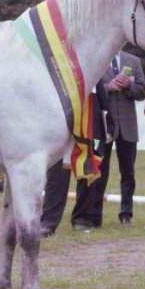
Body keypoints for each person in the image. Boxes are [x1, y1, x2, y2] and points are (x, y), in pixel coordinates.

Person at [40, 81, 109, 235]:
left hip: (88, 123)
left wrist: (108, 124)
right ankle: (48, 222)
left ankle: (82, 219)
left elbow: (101, 95)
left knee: (87, 172)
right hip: (62, 123)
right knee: (56, 176)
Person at [97, 50, 145, 226]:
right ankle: (96, 214)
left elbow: (143, 92)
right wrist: (107, 87)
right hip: (105, 126)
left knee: (128, 172)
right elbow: (89, 89)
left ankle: (126, 214)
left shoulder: (133, 60)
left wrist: (128, 85)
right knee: (100, 171)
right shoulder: (98, 58)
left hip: (128, 126)